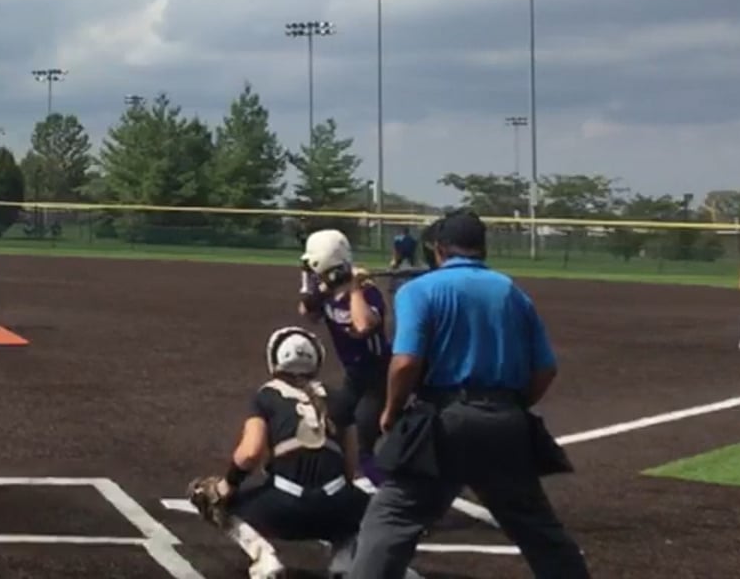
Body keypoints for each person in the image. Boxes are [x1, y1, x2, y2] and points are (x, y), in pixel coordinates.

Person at [346, 209, 590, 578]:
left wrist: (392, 410)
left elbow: (406, 362)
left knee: (391, 519)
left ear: (439, 249)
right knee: (539, 531)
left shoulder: (419, 290)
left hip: (443, 423)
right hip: (505, 422)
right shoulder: (511, 292)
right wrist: (510, 406)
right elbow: (545, 369)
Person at [187, 327, 422, 579]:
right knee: (370, 513)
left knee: (210, 499)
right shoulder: (340, 399)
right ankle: (343, 561)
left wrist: (227, 485)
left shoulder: (266, 395)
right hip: (336, 506)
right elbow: (349, 467)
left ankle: (265, 559)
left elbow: (249, 453)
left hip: (282, 508)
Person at [298, 230, 392, 483]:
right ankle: (343, 478)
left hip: (379, 377)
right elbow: (308, 312)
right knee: (334, 421)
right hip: (354, 376)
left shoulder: (367, 292)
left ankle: (387, 491)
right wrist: (311, 284)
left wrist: (354, 288)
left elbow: (363, 326)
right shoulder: (326, 291)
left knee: (363, 441)